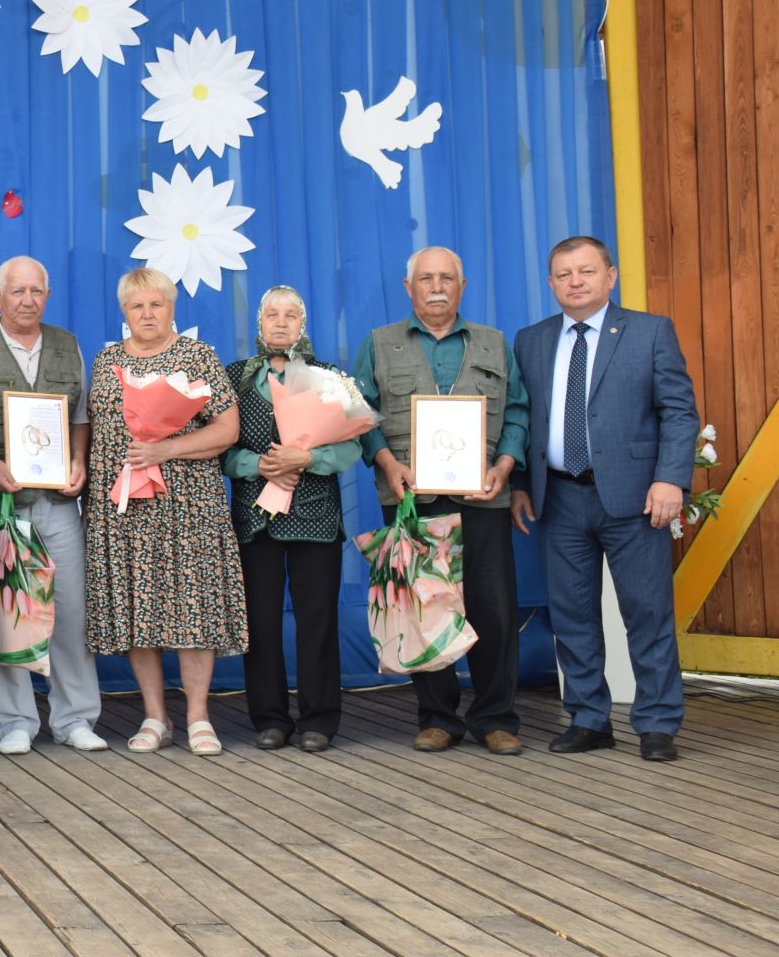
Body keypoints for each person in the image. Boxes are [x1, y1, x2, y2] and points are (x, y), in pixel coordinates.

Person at [510, 236, 698, 762]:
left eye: (586, 271)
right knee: (571, 615)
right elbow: (523, 420)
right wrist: (521, 484)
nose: (575, 281)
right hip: (559, 498)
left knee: (647, 612)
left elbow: (679, 412)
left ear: (609, 277)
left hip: (636, 498)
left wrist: (671, 480)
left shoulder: (649, 331)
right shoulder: (531, 340)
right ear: (550, 284)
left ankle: (658, 722)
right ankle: (590, 718)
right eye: (564, 274)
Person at [353, 245, 531, 756]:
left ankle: (495, 717)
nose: (436, 287)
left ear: (462, 285)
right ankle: (437, 717)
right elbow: (360, 414)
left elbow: (517, 412)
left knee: (493, 611)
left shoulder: (494, 344)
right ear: (408, 288)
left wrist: (504, 465)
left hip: (484, 498)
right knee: (423, 609)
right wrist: (386, 462)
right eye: (426, 278)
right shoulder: (379, 344)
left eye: (446, 278)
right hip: (413, 500)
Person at [0, 256, 105, 754]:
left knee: (70, 613)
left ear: (46, 296)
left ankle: (76, 718)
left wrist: (78, 459)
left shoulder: (68, 345)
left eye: (36, 291)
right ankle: (14, 721)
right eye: (17, 292)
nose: (27, 300)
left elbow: (80, 414)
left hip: (57, 504)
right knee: (7, 612)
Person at [83, 267, 244, 756]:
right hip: (124, 507)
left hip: (189, 507)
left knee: (193, 607)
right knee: (138, 610)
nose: (147, 313)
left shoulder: (197, 356)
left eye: (156, 304)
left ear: (173, 308)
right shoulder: (106, 361)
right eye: (137, 306)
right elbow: (93, 432)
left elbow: (227, 431)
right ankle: (156, 716)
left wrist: (166, 451)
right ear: (123, 312)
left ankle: (198, 716)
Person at [222, 286, 361, 753]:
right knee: (259, 622)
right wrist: (255, 465)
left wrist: (308, 457)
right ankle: (270, 718)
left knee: (317, 619)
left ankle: (320, 719)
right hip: (255, 516)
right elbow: (218, 446)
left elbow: (352, 445)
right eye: (272, 315)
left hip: (315, 515)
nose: (281, 323)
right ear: (259, 324)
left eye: (291, 315)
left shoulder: (329, 376)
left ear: (304, 323)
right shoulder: (235, 377)